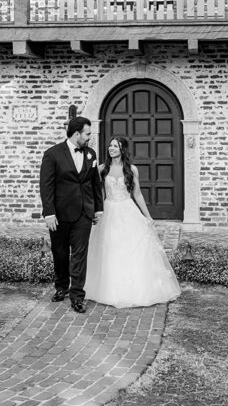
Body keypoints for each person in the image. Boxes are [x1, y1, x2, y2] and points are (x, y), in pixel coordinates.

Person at [85, 136, 181, 308]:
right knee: (110, 247)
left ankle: (133, 288)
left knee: (130, 246)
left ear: (123, 149)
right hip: (109, 210)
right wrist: (96, 212)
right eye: (110, 145)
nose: (111, 148)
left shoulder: (132, 170)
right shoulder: (102, 169)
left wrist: (148, 216)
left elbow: (137, 194)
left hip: (127, 209)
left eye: (115, 146)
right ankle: (109, 288)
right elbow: (99, 195)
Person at [39, 116, 104, 313]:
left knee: (79, 255)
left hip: (84, 213)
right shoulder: (52, 154)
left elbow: (95, 183)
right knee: (59, 253)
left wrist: (98, 208)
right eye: (87, 134)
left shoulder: (91, 154)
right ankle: (61, 287)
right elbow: (46, 186)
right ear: (77, 134)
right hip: (59, 214)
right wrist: (49, 213)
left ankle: (77, 296)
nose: (89, 137)